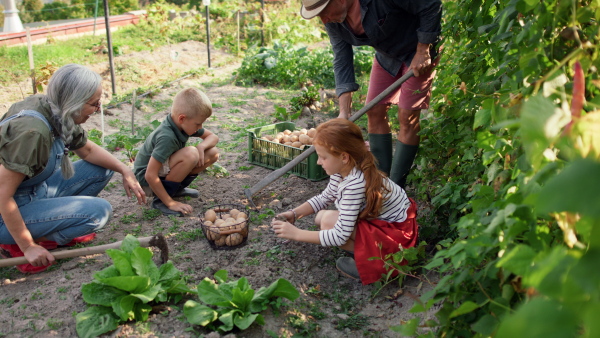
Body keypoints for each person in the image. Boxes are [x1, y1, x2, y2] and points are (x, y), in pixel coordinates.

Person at [0, 64, 146, 274]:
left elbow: (87, 150)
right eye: (94, 104)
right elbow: (4, 195)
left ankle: (47, 227)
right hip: (7, 212)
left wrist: (125, 170)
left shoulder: (54, 109)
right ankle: (18, 243)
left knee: (102, 168)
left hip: (36, 192)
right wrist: (27, 246)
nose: (98, 109)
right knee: (98, 212)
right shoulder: (33, 133)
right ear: (74, 103)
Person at [300, 0, 442, 188]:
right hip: (387, 56)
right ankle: (380, 182)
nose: (323, 19)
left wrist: (423, 49)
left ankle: (396, 187)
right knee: (374, 110)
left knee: (407, 116)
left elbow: (431, 4)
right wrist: (344, 113)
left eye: (324, 11)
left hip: (418, 49)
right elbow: (342, 59)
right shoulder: (332, 21)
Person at [271, 119, 418, 285]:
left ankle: (372, 263)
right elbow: (325, 197)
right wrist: (294, 213)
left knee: (327, 222)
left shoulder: (355, 184)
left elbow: (340, 237)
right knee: (321, 218)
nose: (318, 162)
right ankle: (364, 250)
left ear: (343, 157)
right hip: (387, 225)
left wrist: (296, 234)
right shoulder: (345, 168)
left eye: (322, 157)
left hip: (395, 240)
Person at [133, 87, 219, 217]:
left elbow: (213, 137)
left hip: (160, 173)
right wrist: (170, 203)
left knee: (212, 152)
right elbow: (150, 175)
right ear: (182, 118)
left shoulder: (183, 124)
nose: (200, 128)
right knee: (191, 153)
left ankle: (175, 190)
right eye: (197, 124)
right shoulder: (167, 136)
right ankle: (162, 200)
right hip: (147, 184)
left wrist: (201, 147)